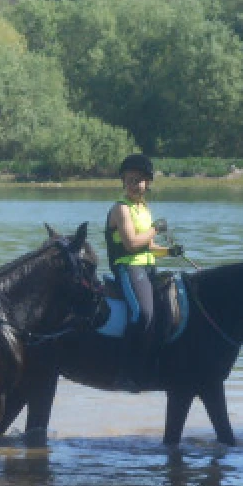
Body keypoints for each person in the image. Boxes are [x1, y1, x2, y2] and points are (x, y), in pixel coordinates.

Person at [105, 153, 171, 387]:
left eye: (138, 180)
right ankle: (125, 371)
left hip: (147, 266)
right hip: (128, 267)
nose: (133, 185)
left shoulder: (144, 208)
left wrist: (169, 252)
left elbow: (149, 247)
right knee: (142, 314)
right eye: (129, 180)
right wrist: (155, 229)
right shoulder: (121, 209)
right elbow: (132, 243)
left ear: (147, 182)